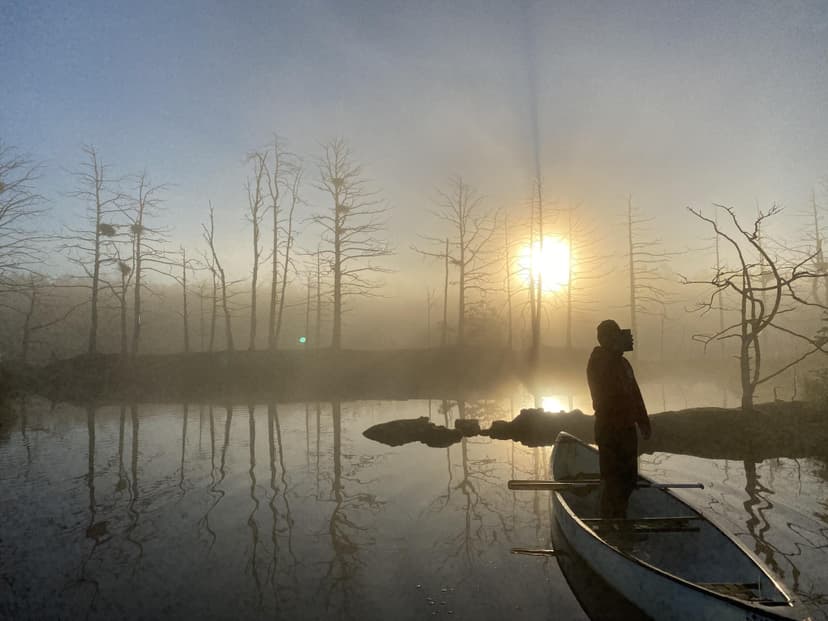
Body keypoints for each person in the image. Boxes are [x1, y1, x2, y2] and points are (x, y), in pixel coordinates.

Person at [586, 319, 651, 518]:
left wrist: (643, 421)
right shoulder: (599, 361)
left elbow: (634, 393)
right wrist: (615, 351)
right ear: (606, 339)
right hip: (609, 430)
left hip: (627, 429)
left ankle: (620, 516)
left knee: (629, 479)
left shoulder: (623, 363)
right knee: (612, 479)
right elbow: (607, 390)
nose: (622, 338)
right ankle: (607, 523)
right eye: (615, 334)